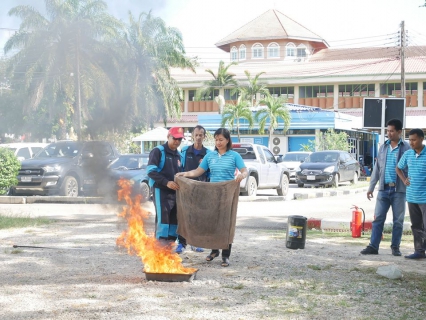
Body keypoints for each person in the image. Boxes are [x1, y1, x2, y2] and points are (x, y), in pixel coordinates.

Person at [176, 128, 248, 267]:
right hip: (212, 193)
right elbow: (198, 171)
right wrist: (184, 174)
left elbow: (244, 170)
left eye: (221, 139)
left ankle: (226, 256)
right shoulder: (210, 156)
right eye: (216, 139)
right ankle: (214, 251)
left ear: (227, 140)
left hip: (228, 193)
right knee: (213, 223)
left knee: (226, 224)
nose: (218, 142)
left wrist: (242, 175)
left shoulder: (234, 156)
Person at [361, 119, 410, 256]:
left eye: (392, 131)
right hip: (383, 189)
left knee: (398, 221)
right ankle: (373, 246)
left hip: (399, 191)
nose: (389, 133)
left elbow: (411, 168)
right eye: (388, 130)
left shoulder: (406, 148)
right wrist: (371, 187)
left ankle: (395, 247)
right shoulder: (383, 147)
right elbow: (377, 169)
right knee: (378, 219)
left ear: (399, 132)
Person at [175, 125, 211, 254]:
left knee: (198, 217)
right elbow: (180, 169)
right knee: (183, 217)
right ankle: (182, 243)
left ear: (204, 137)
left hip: (201, 191)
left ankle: (195, 243)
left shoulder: (208, 154)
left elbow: (209, 173)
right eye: (196, 135)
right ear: (192, 136)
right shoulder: (184, 151)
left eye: (201, 135)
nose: (198, 137)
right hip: (185, 191)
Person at [147, 127, 185, 245]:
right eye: (174, 138)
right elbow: (151, 171)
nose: (177, 142)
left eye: (179, 139)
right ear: (168, 137)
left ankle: (169, 248)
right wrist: (166, 182)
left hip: (175, 192)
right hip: (161, 190)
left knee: (174, 219)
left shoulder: (179, 156)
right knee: (163, 218)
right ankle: (159, 246)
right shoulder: (158, 151)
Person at [396, 128, 426, 259]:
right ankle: (419, 251)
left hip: (425, 198)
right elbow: (398, 167)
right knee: (416, 226)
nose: (411, 142)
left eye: (414, 140)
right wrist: (404, 179)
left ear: (421, 139)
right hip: (412, 197)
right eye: (410, 140)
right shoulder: (408, 154)